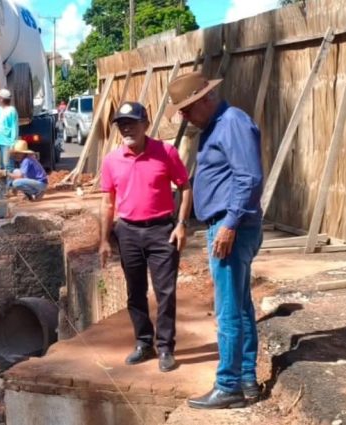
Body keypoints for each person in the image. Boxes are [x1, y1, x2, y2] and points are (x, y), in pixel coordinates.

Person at [166, 72, 264, 409]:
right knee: (240, 305)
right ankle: (246, 379)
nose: (184, 116)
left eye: (187, 109)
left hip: (230, 225)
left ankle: (228, 385)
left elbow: (249, 177)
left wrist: (230, 224)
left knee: (228, 311)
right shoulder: (215, 126)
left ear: (205, 98)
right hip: (228, 223)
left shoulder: (232, 122)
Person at [98, 101, 192, 373]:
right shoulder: (111, 160)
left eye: (132, 123)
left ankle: (165, 348)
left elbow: (185, 187)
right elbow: (107, 202)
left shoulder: (166, 152)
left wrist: (181, 224)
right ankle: (143, 342)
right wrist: (104, 239)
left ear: (146, 124)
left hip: (162, 231)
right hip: (127, 232)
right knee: (135, 291)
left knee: (165, 292)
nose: (126, 128)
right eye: (122, 124)